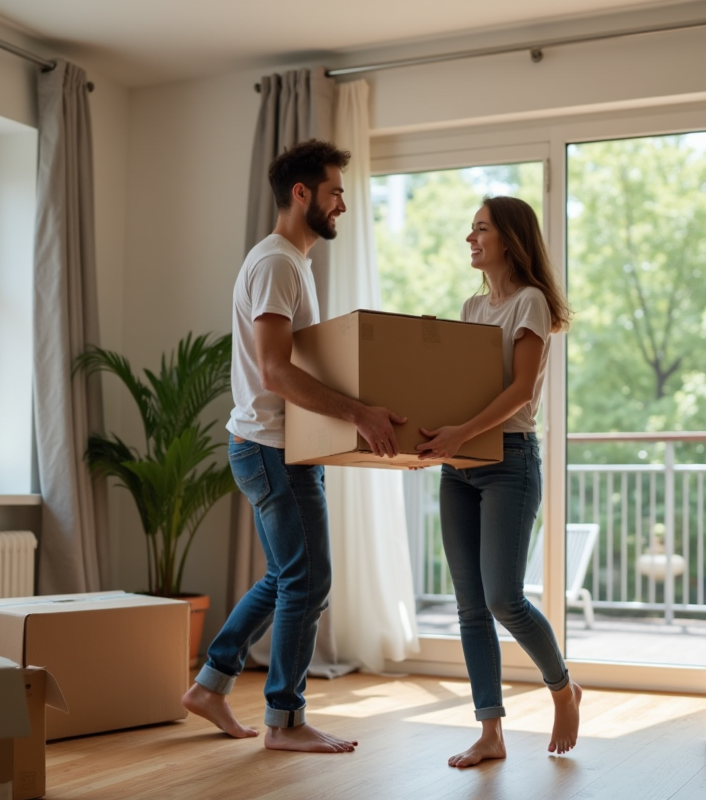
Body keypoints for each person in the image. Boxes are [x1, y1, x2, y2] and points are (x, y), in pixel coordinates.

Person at [181, 139, 406, 754]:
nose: (341, 206)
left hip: (272, 446)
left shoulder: (290, 263)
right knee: (308, 582)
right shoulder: (279, 262)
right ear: (301, 193)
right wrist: (359, 415)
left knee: (288, 576)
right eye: (334, 192)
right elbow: (275, 370)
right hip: (269, 448)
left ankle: (210, 683)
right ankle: (284, 719)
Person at [416, 195, 581, 768]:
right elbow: (463, 390)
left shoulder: (529, 304)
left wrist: (461, 433)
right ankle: (491, 732)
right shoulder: (471, 306)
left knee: (503, 597)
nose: (470, 237)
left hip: (509, 461)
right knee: (468, 607)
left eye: (480, 229)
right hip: (459, 467)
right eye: (470, 229)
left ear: (508, 239)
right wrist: (432, 438)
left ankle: (562, 687)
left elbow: (520, 392)